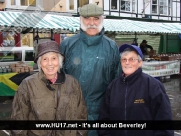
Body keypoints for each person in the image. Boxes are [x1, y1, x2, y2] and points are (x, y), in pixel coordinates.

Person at [60, 3, 121, 136]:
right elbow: (58, 78)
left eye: (96, 18)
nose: (91, 23)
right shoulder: (67, 44)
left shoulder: (111, 47)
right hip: (71, 111)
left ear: (102, 20)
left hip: (101, 113)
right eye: (87, 18)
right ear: (80, 19)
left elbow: (117, 82)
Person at [10, 41, 87, 136]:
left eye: (54, 58)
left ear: (59, 61)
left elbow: (81, 115)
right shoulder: (27, 84)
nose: (50, 63)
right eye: (45, 59)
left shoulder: (72, 83)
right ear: (40, 63)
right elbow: (18, 119)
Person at [98, 44, 174, 136]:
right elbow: (104, 119)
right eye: (124, 59)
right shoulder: (112, 87)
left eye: (132, 59)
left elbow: (164, 122)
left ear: (140, 63)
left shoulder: (153, 85)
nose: (127, 62)